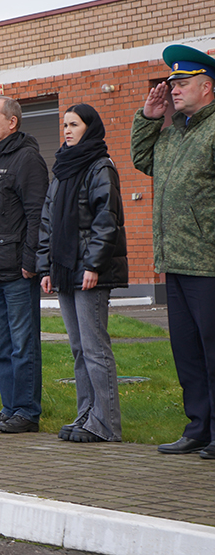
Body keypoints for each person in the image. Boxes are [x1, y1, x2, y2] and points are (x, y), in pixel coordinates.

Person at [131, 44, 215, 458]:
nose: (173, 89)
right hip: (175, 261)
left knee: (213, 348)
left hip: (209, 262)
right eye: (171, 83)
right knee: (187, 350)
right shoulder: (173, 135)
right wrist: (149, 118)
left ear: (208, 86)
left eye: (182, 83)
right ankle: (199, 427)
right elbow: (142, 159)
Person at [38, 104, 127, 442]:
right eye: (64, 124)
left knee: (94, 348)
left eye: (74, 124)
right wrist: (46, 266)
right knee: (78, 348)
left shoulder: (100, 165)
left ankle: (106, 425)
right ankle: (86, 415)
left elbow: (107, 219)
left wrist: (93, 265)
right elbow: (48, 221)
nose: (67, 130)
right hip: (64, 269)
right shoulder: (62, 167)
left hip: (90, 271)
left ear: (90, 127)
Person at [0, 96, 48, 434]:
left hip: (18, 268)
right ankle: (8, 408)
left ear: (12, 122)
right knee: (3, 345)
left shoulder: (28, 159)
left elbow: (36, 214)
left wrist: (31, 260)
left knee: (23, 344)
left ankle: (27, 412)